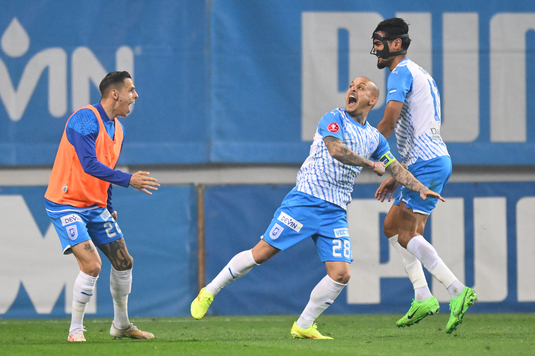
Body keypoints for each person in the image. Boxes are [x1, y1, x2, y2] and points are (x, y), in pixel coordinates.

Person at [190, 76, 445, 339]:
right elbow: (335, 150)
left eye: (360, 87)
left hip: (335, 212)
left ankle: (304, 325)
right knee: (262, 253)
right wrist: (370, 165)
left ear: (372, 100)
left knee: (341, 274)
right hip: (306, 200)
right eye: (351, 87)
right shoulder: (332, 119)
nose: (352, 90)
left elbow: (394, 168)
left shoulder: (375, 138)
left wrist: (420, 187)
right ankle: (209, 290)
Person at [370, 17, 477, 333]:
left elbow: (388, 122)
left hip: (426, 164)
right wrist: (398, 172)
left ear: (397, 43)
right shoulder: (417, 73)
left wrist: (365, 149)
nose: (375, 48)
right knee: (391, 226)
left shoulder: (401, 73)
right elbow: (417, 127)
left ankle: (456, 290)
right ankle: (422, 296)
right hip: (423, 162)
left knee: (407, 235)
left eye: (380, 42)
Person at [44, 71, 160, 342]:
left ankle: (121, 324)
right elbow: (89, 164)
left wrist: (108, 205)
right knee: (92, 265)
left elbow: (106, 170)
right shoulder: (84, 119)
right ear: (115, 94)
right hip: (66, 204)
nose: (136, 95)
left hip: (95, 205)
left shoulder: (118, 129)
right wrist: (129, 180)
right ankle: (75, 330)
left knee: (123, 262)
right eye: (131, 90)